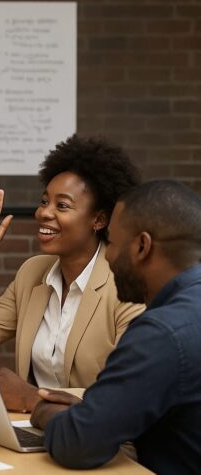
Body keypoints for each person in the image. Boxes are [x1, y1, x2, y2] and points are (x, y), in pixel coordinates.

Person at [0, 135, 144, 412]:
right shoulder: (33, 274)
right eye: (44, 201)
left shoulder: (124, 287)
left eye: (62, 206)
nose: (44, 213)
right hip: (36, 429)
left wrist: (31, 398)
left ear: (98, 220)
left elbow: (129, 394)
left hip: (96, 440)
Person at [31, 180, 201, 472]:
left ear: (142, 246)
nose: (107, 256)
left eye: (111, 242)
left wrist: (42, 410)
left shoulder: (160, 333)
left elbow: (78, 444)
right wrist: (94, 412)